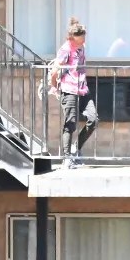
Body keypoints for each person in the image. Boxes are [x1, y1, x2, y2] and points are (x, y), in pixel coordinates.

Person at [47, 17, 99, 168]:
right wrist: (54, 86)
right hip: (69, 89)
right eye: (81, 36)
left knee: (93, 119)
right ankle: (67, 157)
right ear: (72, 37)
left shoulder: (81, 47)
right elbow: (55, 69)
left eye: (84, 36)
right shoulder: (65, 49)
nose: (84, 39)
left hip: (82, 89)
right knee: (70, 123)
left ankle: (76, 148)